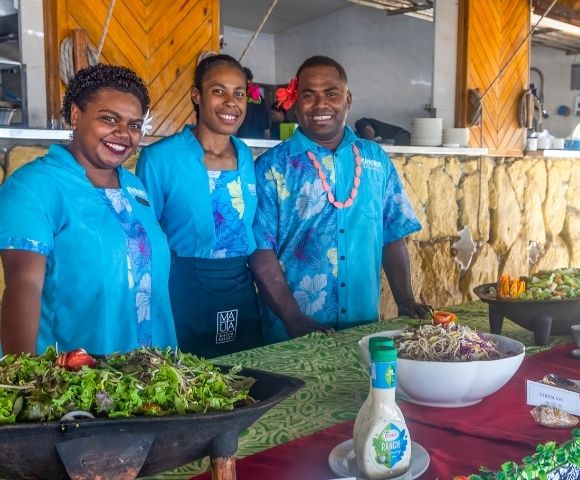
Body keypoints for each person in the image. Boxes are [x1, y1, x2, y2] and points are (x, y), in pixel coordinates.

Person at [249, 55, 431, 344]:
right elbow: (260, 252)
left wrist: (405, 300)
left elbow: (392, 233)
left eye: (331, 94)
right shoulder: (272, 167)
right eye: (309, 95)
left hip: (363, 329)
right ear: (296, 102)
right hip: (292, 336)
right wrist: (292, 317)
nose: (321, 105)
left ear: (348, 99)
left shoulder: (376, 160)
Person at [0, 64, 177, 355]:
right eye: (109, 119)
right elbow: (24, 286)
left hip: (152, 376)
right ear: (75, 115)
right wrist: (26, 380)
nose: (123, 133)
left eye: (134, 125)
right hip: (73, 382)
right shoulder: (33, 187)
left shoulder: (135, 188)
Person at [136, 54, 262, 358]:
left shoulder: (247, 156)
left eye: (239, 93)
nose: (231, 102)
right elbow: (145, 239)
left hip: (240, 288)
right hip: (185, 290)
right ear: (197, 95)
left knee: (246, 375)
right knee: (189, 383)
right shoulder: (160, 159)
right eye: (219, 91)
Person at [236, 67, 270, 139]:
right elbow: (266, 125)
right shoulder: (259, 97)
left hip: (242, 137)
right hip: (258, 139)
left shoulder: (240, 95)